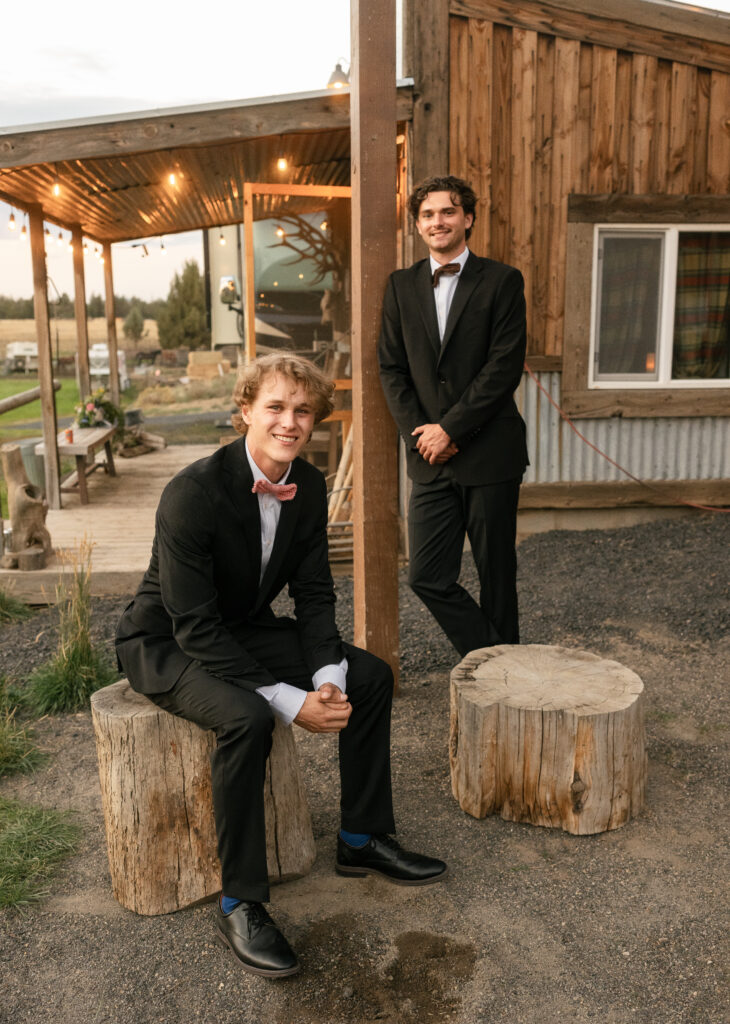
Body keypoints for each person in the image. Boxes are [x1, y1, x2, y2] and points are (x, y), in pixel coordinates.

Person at [115, 352, 446, 979]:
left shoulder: (310, 486)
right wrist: (292, 703)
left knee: (370, 677)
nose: (289, 422)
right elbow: (195, 626)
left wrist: (327, 678)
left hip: (241, 628)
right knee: (247, 718)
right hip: (167, 640)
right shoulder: (192, 493)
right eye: (274, 407)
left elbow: (315, 594)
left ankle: (361, 839)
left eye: (303, 411)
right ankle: (240, 901)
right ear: (245, 411)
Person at [378, 175, 528, 658]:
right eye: (427, 214)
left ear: (468, 218)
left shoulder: (502, 281)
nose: (437, 221)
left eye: (447, 211)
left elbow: (503, 368)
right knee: (426, 576)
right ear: (418, 225)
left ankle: (503, 683)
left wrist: (451, 428)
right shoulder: (400, 286)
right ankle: (497, 657)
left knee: (496, 575)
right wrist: (422, 437)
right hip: (430, 458)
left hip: (490, 453)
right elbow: (391, 369)